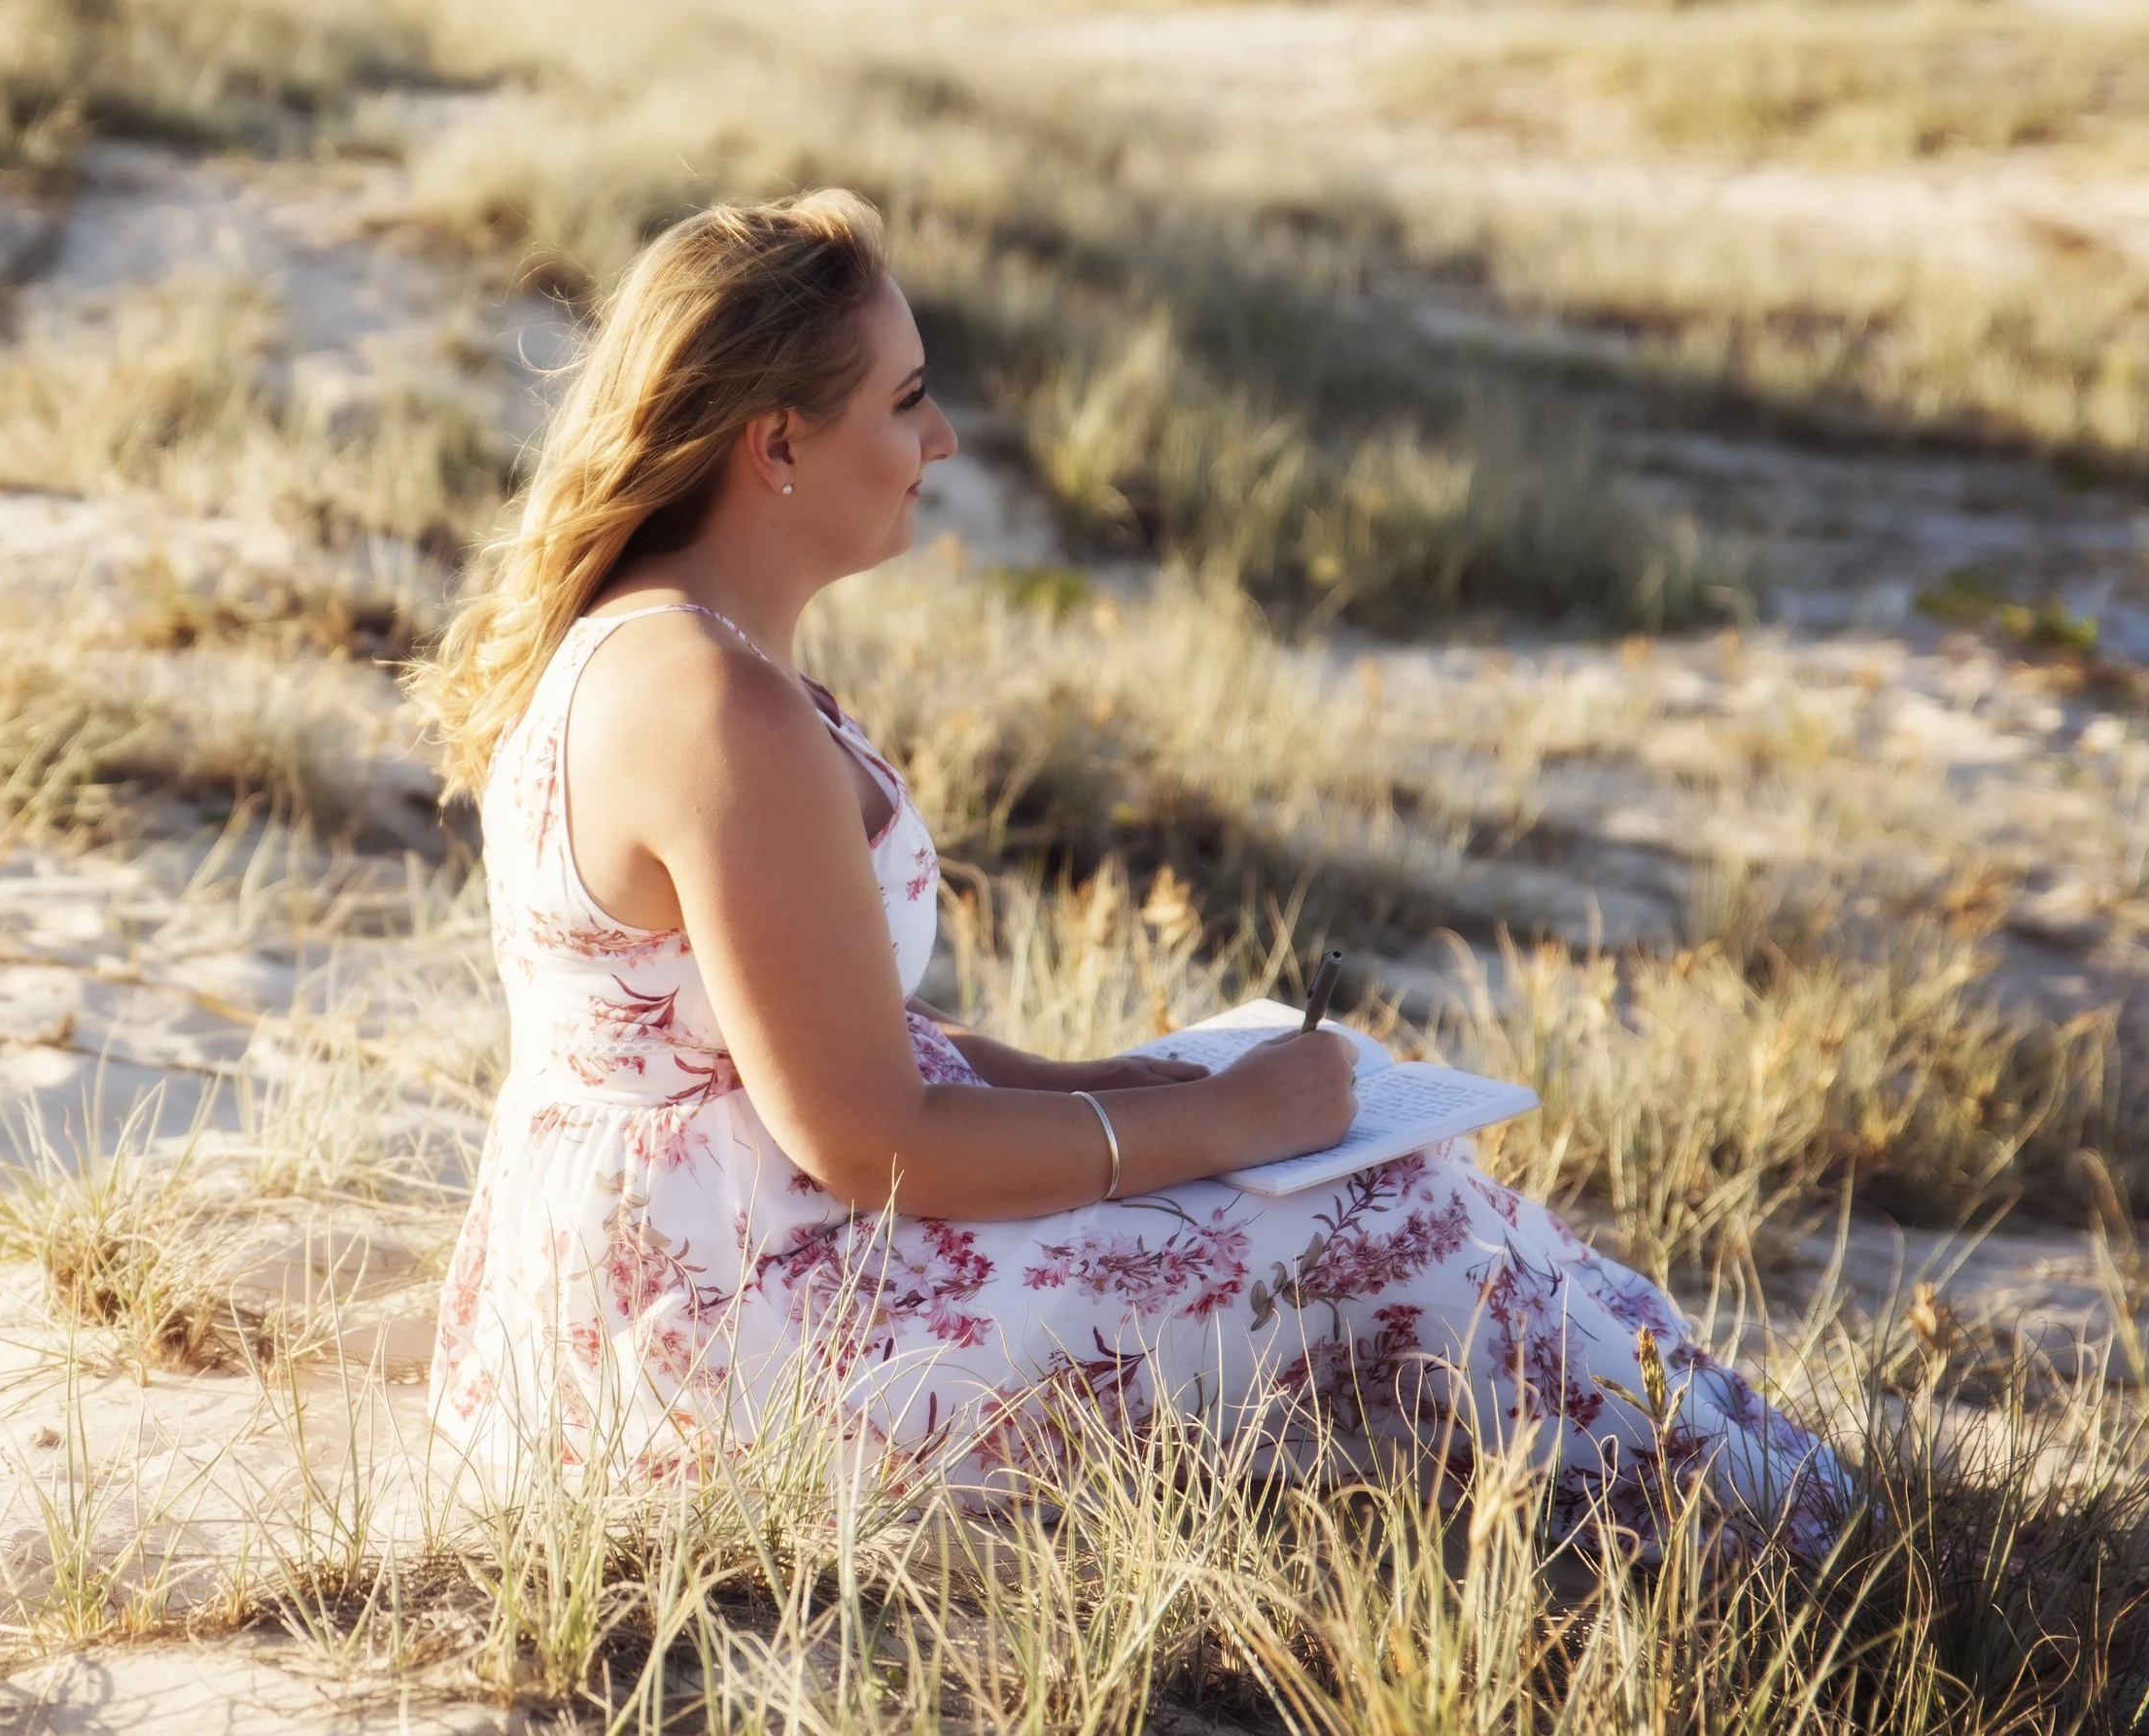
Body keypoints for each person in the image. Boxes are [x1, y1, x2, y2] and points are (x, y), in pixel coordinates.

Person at [405, 189, 1851, 1552]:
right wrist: (1218, 1123)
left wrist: (1093, 1082)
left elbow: (770, 1033)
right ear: (774, 445)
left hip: (700, 1267)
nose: (946, 437)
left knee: (1395, 1183)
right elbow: (865, 1138)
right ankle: (1795, 1537)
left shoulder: (667, 639)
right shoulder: (712, 704)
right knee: (1391, 1223)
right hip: (733, 1350)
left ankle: (1765, 1490)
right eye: (906, 401)